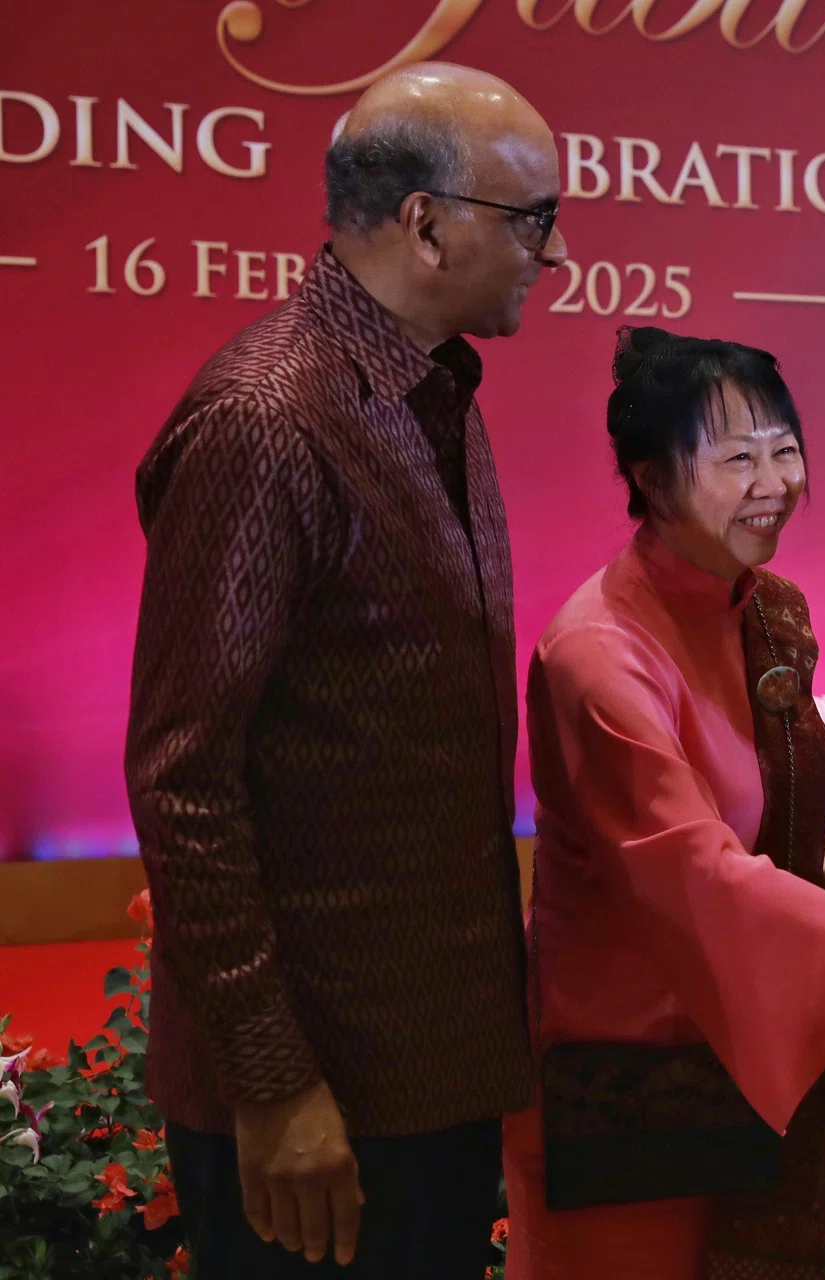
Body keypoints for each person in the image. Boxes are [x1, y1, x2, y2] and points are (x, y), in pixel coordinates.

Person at [124, 64, 569, 1278]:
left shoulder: (432, 392)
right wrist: (275, 1085)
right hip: (314, 1099)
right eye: (533, 219)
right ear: (426, 223)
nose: (556, 252)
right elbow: (183, 777)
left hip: (426, 1069)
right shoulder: (267, 419)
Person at [501, 327, 825, 1280]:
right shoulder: (597, 652)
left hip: (752, 1061)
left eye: (785, 450)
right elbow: (696, 875)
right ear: (651, 477)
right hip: (629, 1080)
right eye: (735, 458)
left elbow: (779, 853)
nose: (773, 480)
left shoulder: (768, 610)